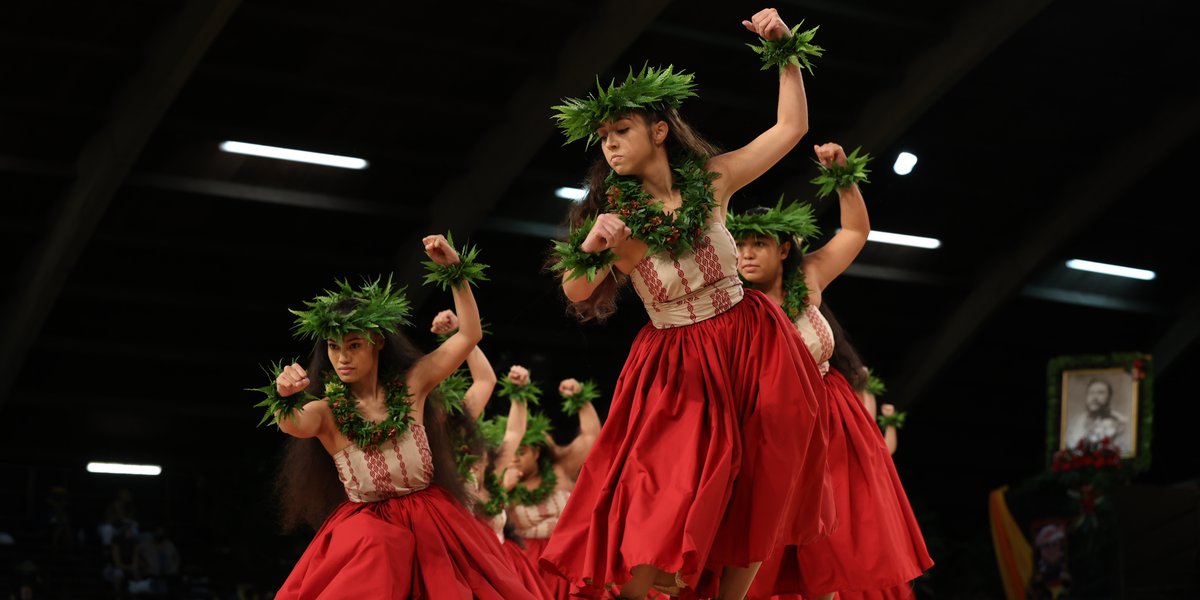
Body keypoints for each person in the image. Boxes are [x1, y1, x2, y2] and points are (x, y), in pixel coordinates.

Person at [540, 9, 831, 599]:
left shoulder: (714, 180)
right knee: (663, 493)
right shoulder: (616, 220)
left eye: (621, 129)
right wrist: (594, 249)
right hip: (678, 363)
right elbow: (574, 289)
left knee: (761, 479)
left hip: (754, 343)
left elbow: (790, 128)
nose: (612, 144)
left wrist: (785, 51)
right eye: (604, 137)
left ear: (659, 131)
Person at [258, 234, 539, 599]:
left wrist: (456, 273)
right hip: (368, 534)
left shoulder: (412, 385)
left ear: (377, 343)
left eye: (354, 345)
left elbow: (470, 334)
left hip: (433, 521)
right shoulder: (326, 412)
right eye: (333, 347)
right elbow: (293, 423)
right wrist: (284, 397)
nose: (342, 358)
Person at [729, 143, 933, 600]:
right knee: (773, 548)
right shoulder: (729, 302)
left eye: (758, 243)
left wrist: (843, 178)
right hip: (771, 428)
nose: (746, 254)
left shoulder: (811, 278)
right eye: (740, 244)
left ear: (783, 249)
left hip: (833, 422)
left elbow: (856, 230)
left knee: (833, 543)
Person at [505, 377, 601, 600]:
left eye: (523, 452)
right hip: (526, 568)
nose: (515, 458)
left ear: (537, 452)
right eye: (512, 451)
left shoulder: (560, 470)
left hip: (571, 558)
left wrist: (580, 400)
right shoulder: (502, 481)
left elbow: (591, 437)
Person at [1069, 378, 1129, 449]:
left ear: (1109, 397)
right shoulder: (1075, 423)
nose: (1094, 397)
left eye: (1101, 393)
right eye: (1091, 393)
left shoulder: (1121, 422)